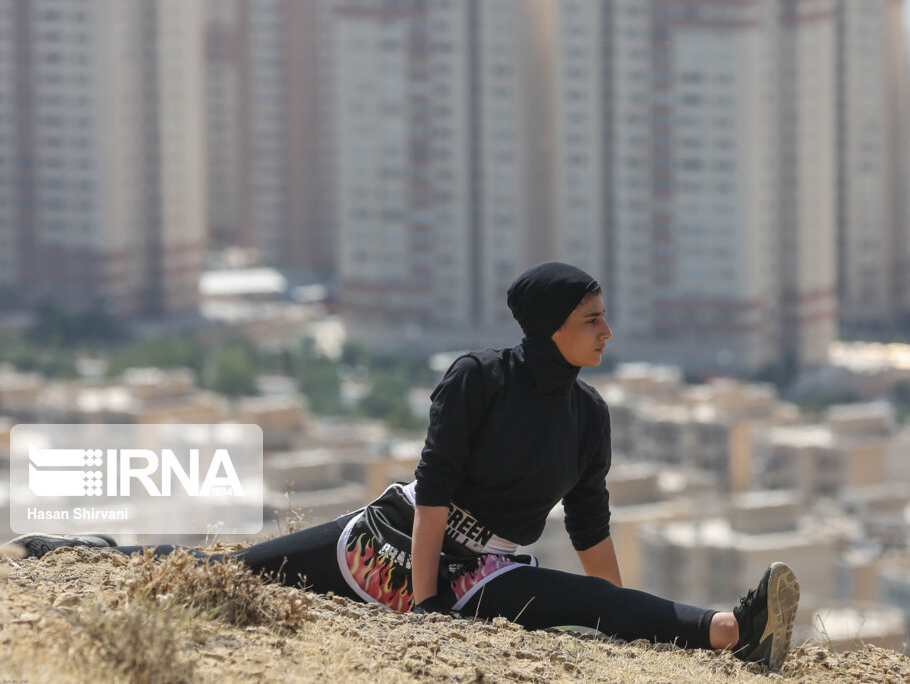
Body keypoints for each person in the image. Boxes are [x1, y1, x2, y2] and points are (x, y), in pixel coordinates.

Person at [5, 262, 800, 670]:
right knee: (228, 573)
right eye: (592, 319)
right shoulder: (478, 378)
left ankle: (732, 631)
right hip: (386, 541)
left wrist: (626, 613)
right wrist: (423, 601)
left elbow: (589, 523)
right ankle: (85, 552)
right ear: (550, 326)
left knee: (582, 597)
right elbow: (436, 489)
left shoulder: (588, 413)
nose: (607, 331)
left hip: (488, 571)